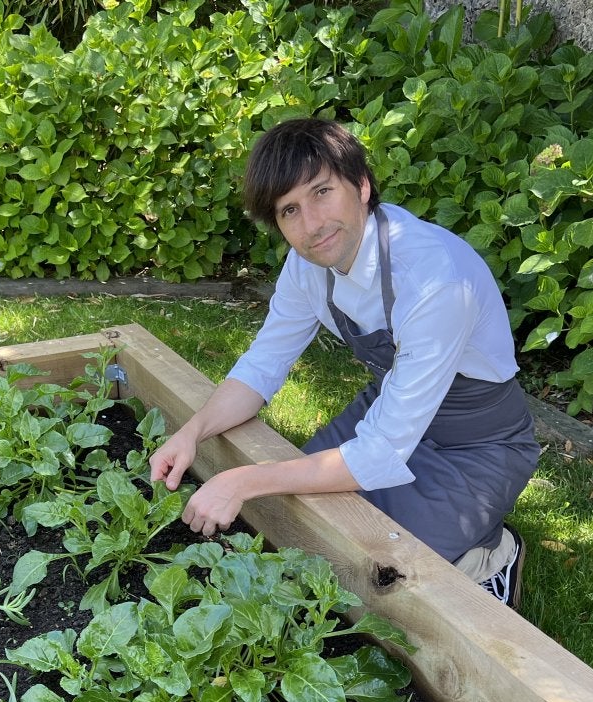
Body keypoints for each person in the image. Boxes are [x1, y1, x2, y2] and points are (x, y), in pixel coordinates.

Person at [148, 117, 539, 608]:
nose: (311, 224)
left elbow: (378, 453)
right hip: (391, 405)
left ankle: (491, 558)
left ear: (362, 185)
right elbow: (262, 365)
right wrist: (192, 431)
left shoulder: (436, 281)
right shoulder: (306, 266)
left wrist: (244, 479)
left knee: (383, 577)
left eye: (322, 192)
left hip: (478, 443)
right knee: (300, 521)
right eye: (289, 209)